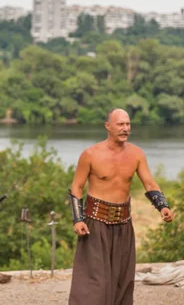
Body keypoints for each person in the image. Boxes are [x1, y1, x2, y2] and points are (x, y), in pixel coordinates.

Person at [68, 108, 174, 305]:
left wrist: (162, 206)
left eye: (128, 124)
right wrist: (78, 219)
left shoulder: (136, 154)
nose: (125, 128)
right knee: (94, 282)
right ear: (108, 126)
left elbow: (149, 184)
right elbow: (77, 187)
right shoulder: (90, 154)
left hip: (124, 225)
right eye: (120, 124)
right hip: (95, 224)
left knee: (122, 280)